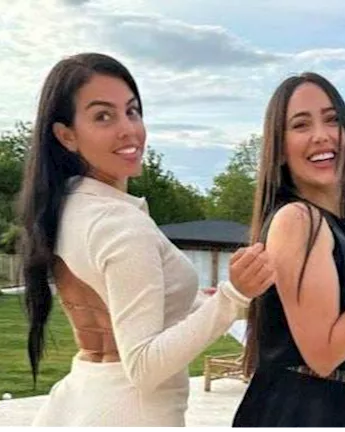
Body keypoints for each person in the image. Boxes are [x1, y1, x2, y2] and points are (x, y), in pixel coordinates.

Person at [18, 52, 274, 427]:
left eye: (132, 111)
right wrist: (233, 296)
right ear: (66, 135)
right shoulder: (121, 224)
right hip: (132, 415)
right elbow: (143, 365)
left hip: (80, 402)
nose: (129, 130)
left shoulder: (65, 208)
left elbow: (118, 305)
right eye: (103, 116)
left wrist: (205, 303)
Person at [231, 72, 345, 429]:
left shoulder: (333, 226)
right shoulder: (297, 220)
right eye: (301, 124)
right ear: (279, 148)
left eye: (332, 119)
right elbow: (322, 356)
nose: (321, 135)